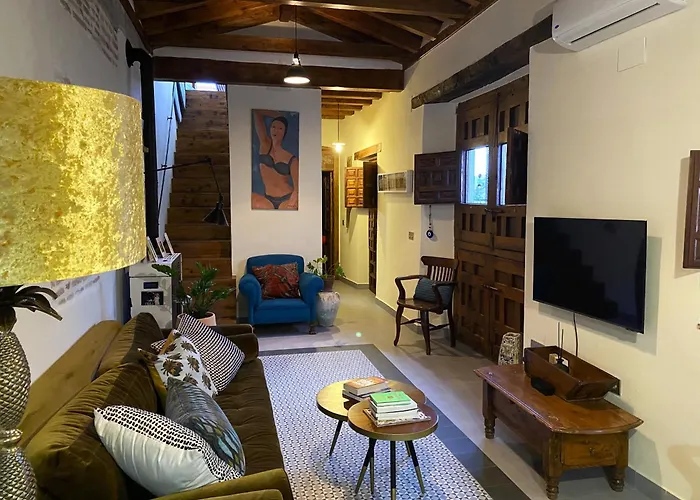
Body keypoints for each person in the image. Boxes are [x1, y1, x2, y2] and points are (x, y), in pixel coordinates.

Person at [252, 110, 299, 210]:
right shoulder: (265, 145)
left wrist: (292, 204)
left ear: (284, 132)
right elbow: (257, 113)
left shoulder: (292, 159)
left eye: (280, 128)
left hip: (286, 199)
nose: (276, 130)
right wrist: (278, 115)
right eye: (273, 127)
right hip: (267, 198)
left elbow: (297, 188)